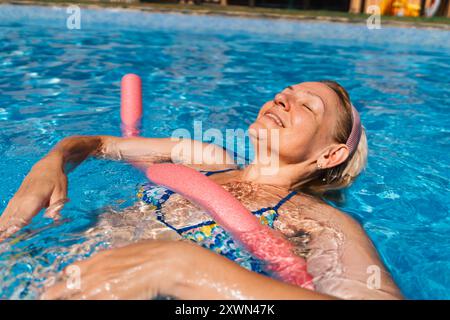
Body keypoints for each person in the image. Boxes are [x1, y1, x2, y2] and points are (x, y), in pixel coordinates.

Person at [0, 81, 403, 299]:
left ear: (330, 155)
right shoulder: (205, 157)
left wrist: (181, 269)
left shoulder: (320, 223)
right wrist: (50, 163)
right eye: (286, 93)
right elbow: (101, 145)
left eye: (307, 105)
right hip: (37, 272)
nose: (282, 98)